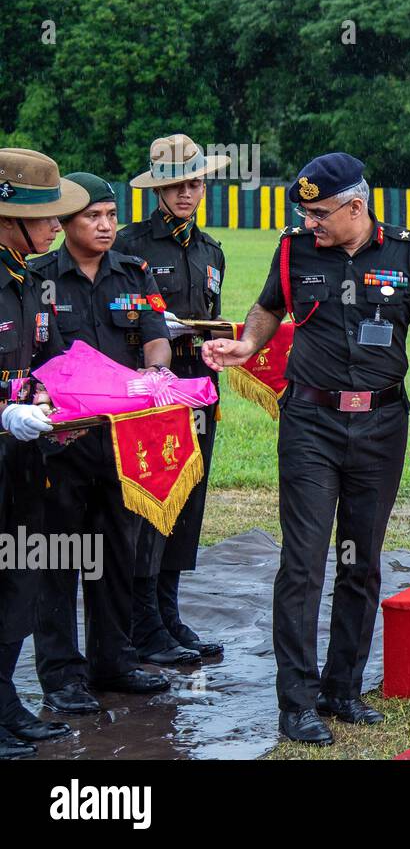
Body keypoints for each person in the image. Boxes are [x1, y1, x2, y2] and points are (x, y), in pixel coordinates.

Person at [201, 153, 410, 745]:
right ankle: (297, 701)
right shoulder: (295, 250)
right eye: (305, 212)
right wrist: (246, 344)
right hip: (311, 422)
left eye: (320, 213)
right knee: (303, 560)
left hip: (381, 424)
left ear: (356, 207)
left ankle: (343, 688)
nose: (310, 222)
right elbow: (269, 307)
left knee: (360, 560)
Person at [30, 172, 175, 711]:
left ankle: (113, 660)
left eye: (112, 216)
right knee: (60, 557)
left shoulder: (133, 274)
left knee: (117, 551)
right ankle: (62, 674)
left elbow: (157, 337)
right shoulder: (38, 276)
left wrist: (157, 374)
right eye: (92, 216)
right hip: (60, 445)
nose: (106, 225)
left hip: (121, 441)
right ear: (66, 221)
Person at [115, 134, 227, 665]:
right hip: (148, 391)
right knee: (149, 501)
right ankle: (140, 623)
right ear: (158, 188)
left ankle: (167, 614)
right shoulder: (128, 245)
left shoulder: (211, 250)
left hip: (199, 389)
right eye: (178, 183)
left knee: (187, 501)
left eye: (196, 182)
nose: (188, 192)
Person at [0, 150, 88, 759]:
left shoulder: (28, 278)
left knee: (18, 584)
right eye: (49, 216)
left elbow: (43, 364)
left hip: (23, 460)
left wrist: (68, 406)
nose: (59, 227)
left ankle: (4, 703)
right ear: (11, 217)